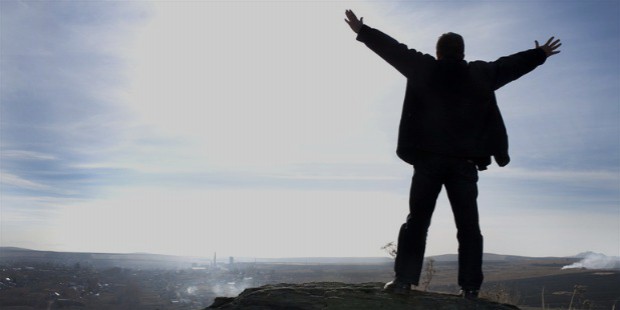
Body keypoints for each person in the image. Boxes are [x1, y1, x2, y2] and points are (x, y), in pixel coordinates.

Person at [344, 9, 561, 298]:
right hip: (464, 165)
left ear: (438, 53)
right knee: (469, 228)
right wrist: (540, 54)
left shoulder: (424, 68)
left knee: (417, 222)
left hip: (428, 161)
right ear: (462, 53)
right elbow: (509, 65)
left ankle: (404, 281)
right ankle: (470, 288)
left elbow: (394, 50)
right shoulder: (480, 74)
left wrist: (363, 30)